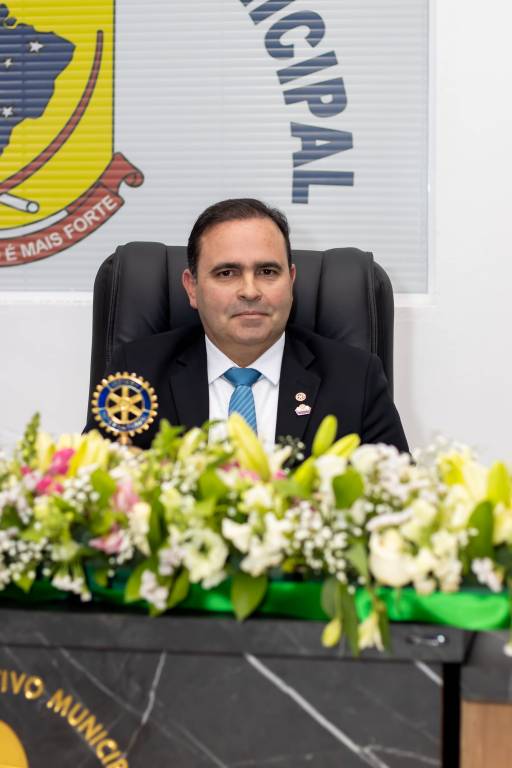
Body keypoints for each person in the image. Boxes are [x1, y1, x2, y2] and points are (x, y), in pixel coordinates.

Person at [86, 198, 408, 454]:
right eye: (227, 273)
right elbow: (96, 488)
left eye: (268, 272)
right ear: (192, 288)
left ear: (291, 281)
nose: (250, 291)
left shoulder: (355, 379)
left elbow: (398, 496)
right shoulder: (137, 372)